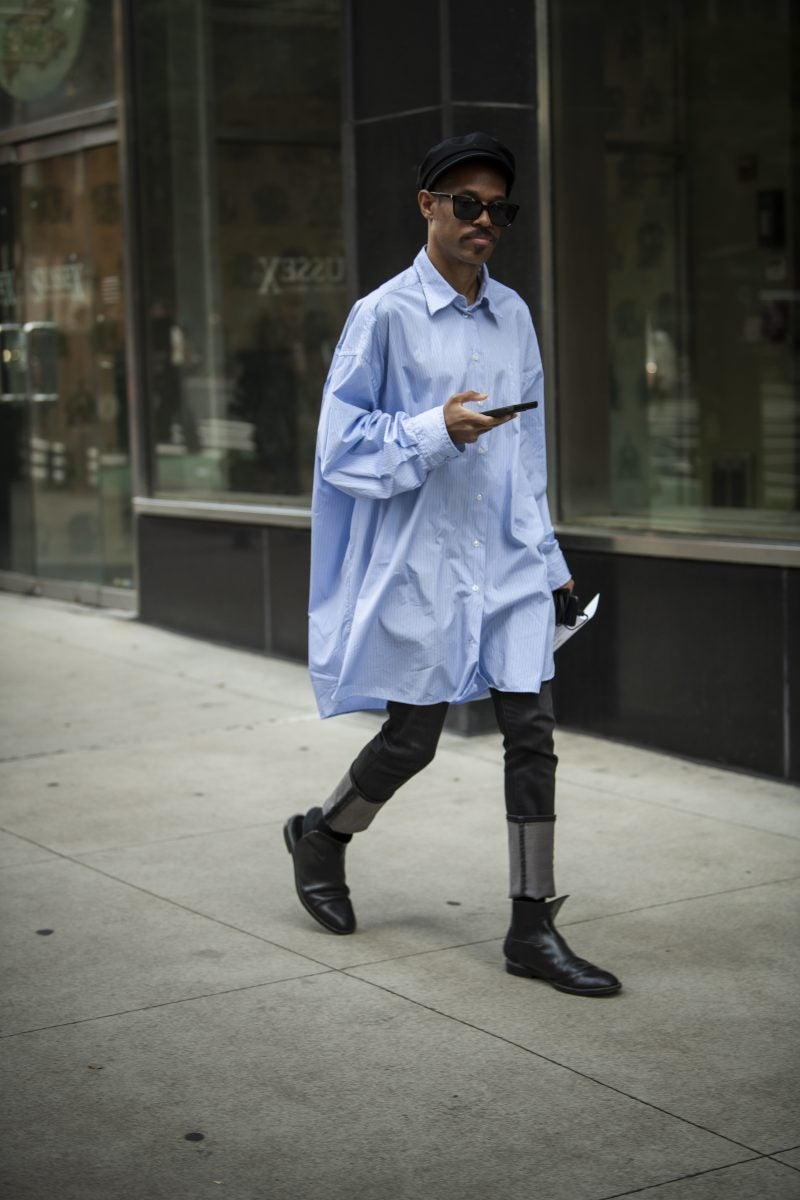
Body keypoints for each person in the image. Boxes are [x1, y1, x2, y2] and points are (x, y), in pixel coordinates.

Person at [284, 132, 621, 998]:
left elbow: (529, 451)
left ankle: (531, 926)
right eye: (466, 203)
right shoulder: (383, 314)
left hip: (506, 558)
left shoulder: (513, 313)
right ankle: (323, 834)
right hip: (422, 560)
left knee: (531, 733)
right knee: (414, 737)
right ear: (428, 205)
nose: (484, 221)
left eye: (498, 208)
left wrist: (548, 558)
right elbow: (340, 450)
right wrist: (438, 429)